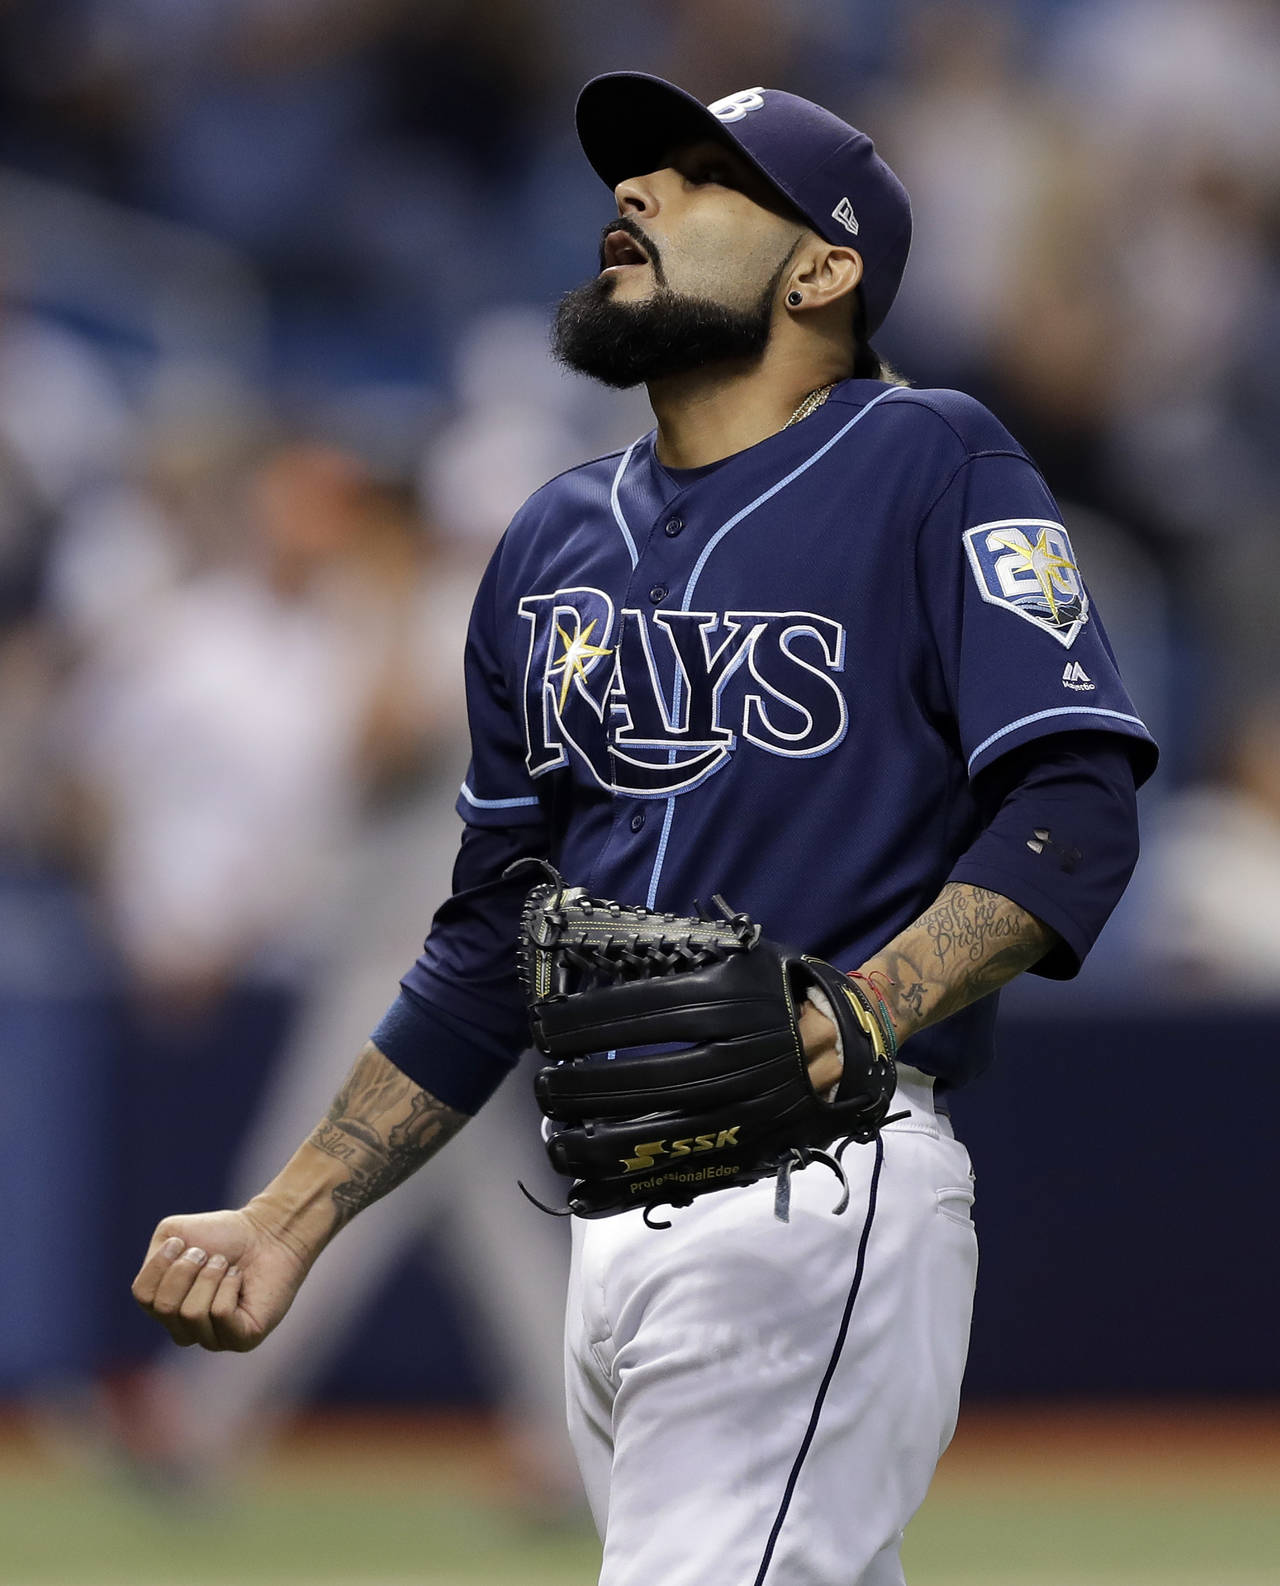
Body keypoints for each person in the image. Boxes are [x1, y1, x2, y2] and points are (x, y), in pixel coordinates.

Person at [133, 75, 1157, 1585]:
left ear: (824, 269)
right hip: (610, 1229)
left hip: (818, 1195)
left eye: (702, 179)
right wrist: (292, 1215)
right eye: (634, 173)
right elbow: (488, 939)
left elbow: (1072, 804)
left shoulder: (931, 461)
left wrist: (869, 1007)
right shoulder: (549, 541)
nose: (638, 196)